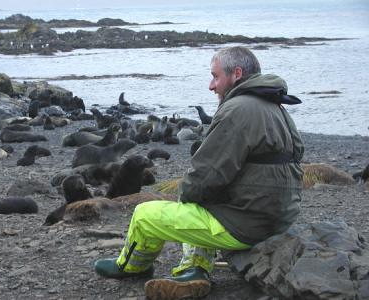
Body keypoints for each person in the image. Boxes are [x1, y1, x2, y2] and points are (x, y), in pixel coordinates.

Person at [94, 46, 304, 300]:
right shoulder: (276, 108)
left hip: (249, 225)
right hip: (279, 218)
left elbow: (206, 175)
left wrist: (186, 195)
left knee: (145, 213)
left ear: (236, 73)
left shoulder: (237, 109)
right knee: (204, 203)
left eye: (215, 76)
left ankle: (131, 266)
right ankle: (193, 270)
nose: (211, 85)